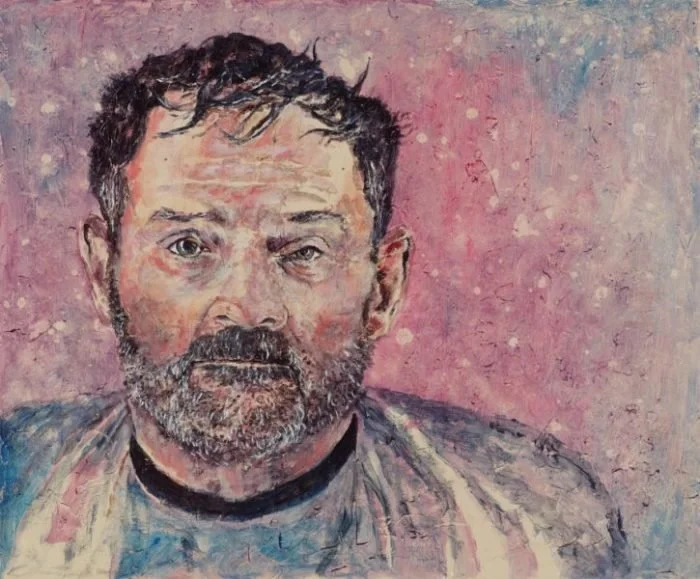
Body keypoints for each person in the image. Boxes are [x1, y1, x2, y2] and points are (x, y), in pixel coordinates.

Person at [0, 33, 627, 578]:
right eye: (188, 245)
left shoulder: (534, 532)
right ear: (102, 271)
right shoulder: (11, 493)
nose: (247, 308)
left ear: (383, 286)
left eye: (303, 251)